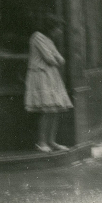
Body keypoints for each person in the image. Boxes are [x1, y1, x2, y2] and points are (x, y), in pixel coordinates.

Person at [24, 16, 73, 153]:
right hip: (40, 75)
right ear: (51, 27)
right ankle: (41, 142)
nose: (60, 32)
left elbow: (60, 59)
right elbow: (50, 58)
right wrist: (55, 59)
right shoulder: (37, 37)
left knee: (55, 109)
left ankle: (51, 141)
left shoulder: (49, 41)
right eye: (58, 28)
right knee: (47, 110)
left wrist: (56, 59)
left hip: (51, 76)